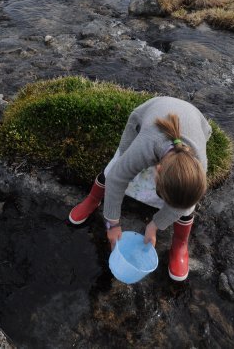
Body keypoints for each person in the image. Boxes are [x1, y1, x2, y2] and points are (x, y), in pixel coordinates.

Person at [68, 96, 210, 281]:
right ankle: (93, 199)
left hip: (196, 122)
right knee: (115, 168)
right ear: (157, 170)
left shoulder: (199, 165)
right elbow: (117, 179)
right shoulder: (146, 144)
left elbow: (183, 205)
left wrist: (155, 226)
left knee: (187, 204)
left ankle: (180, 243)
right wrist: (112, 224)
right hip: (146, 117)